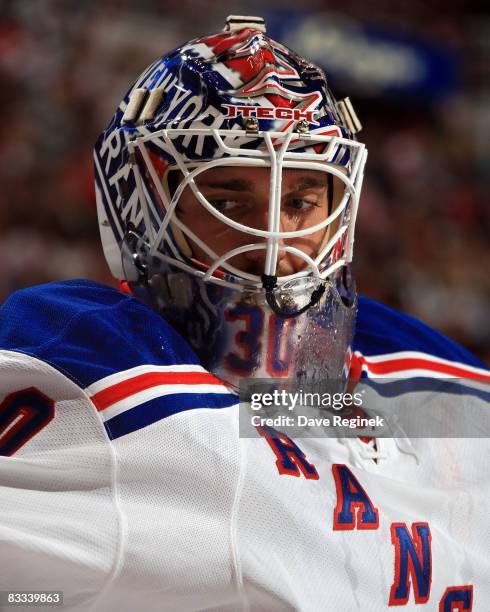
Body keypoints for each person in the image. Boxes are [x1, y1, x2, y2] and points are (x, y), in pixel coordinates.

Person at [0, 15, 488, 612]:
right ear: (144, 206)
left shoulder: (442, 377)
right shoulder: (107, 376)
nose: (274, 240)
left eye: (303, 200)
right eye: (229, 199)